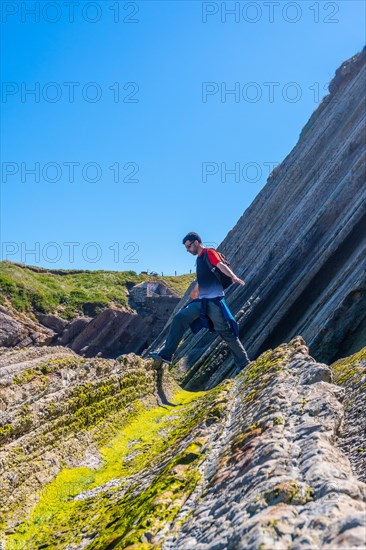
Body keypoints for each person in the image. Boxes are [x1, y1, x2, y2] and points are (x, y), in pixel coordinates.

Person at [149, 232, 250, 372]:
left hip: (214, 302)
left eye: (189, 246)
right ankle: (166, 355)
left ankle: (244, 364)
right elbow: (203, 278)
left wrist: (233, 277)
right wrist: (195, 291)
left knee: (226, 333)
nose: (188, 250)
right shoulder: (199, 260)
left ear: (196, 242)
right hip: (202, 302)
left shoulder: (209, 253)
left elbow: (220, 265)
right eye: (186, 248)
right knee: (179, 318)